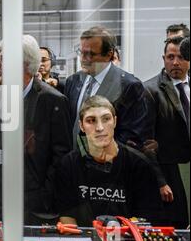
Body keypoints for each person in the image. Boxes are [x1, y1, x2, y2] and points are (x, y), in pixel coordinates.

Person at [0, 35, 72, 225]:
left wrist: (44, 195)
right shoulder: (3, 94)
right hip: (1, 201)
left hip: (35, 206)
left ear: (24, 65)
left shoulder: (53, 101)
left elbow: (61, 157)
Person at [55, 96, 163, 227]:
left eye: (106, 119)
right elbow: (67, 214)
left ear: (115, 122)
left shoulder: (138, 164)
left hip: (128, 240)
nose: (100, 128)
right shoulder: (69, 164)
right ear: (81, 126)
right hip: (84, 240)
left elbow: (147, 216)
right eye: (91, 121)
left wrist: (117, 237)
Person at [65, 26, 150, 150]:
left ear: (109, 55)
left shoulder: (128, 86)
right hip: (74, 164)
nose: (83, 59)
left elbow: (132, 137)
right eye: (81, 52)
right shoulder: (73, 81)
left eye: (90, 54)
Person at [144, 36, 190, 228]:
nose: (175, 62)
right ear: (163, 59)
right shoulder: (150, 89)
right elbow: (146, 142)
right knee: (177, 227)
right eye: (170, 57)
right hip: (170, 171)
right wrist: (160, 180)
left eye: (180, 57)